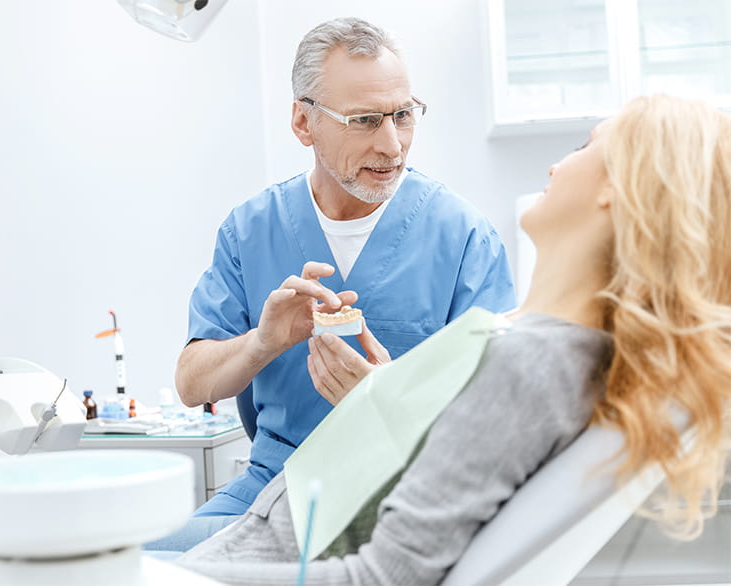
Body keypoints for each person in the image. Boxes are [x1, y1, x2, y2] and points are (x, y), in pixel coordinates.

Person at [169, 94, 731, 584]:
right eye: (364, 118)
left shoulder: (529, 363)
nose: (559, 163)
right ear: (305, 122)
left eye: (586, 147)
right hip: (273, 528)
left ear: (618, 188)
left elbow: (385, 575)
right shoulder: (549, 350)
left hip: (272, 551)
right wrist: (385, 399)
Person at [156, 17, 516, 549]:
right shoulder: (250, 230)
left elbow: (501, 419)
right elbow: (192, 384)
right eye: (366, 120)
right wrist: (264, 342)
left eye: (403, 115)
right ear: (303, 123)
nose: (392, 145)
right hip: (270, 488)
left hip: (402, 493)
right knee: (127, 558)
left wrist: (389, 401)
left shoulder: (462, 238)